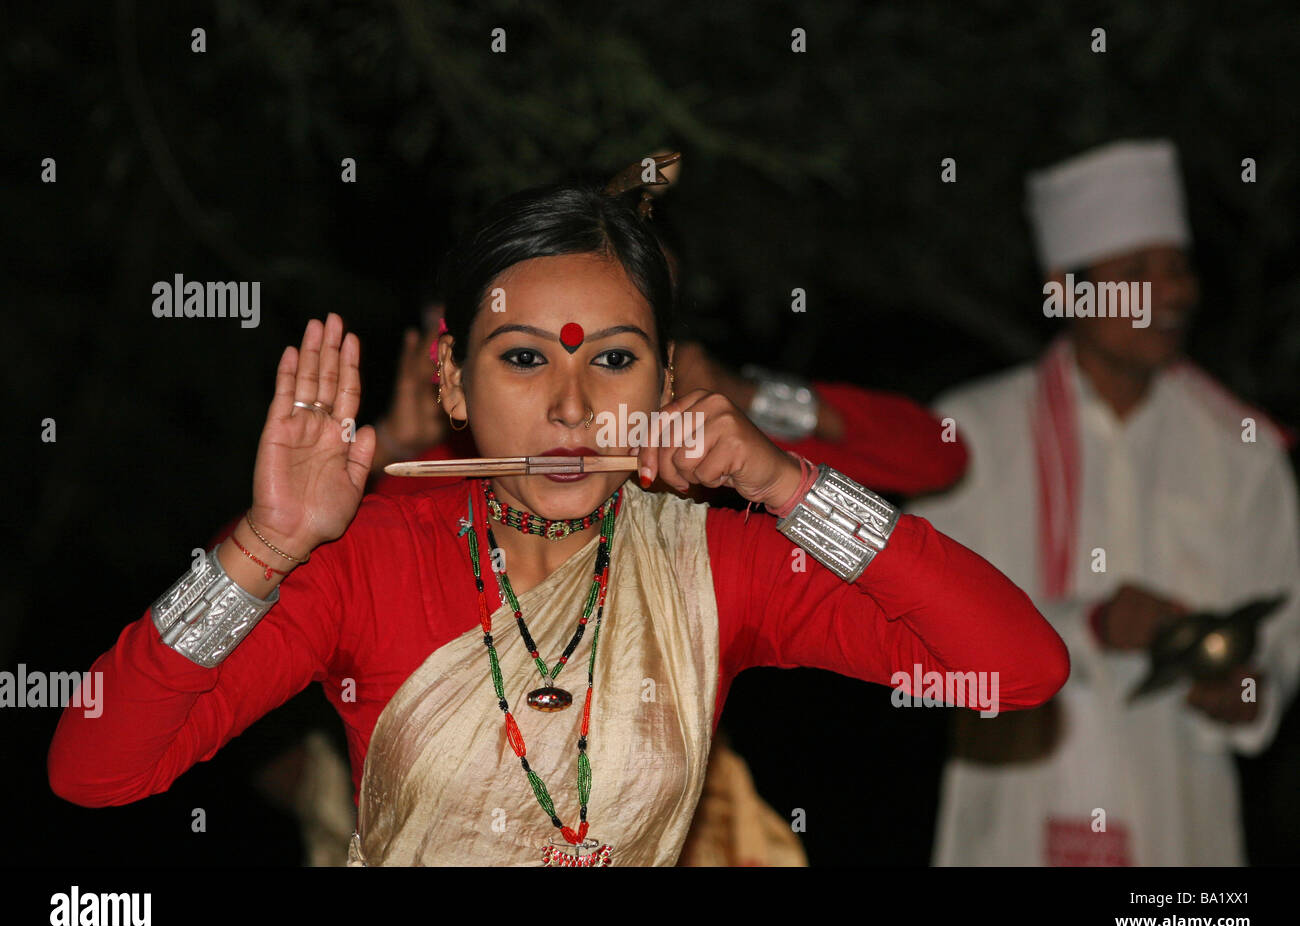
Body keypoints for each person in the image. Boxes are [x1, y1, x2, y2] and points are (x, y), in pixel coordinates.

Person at [49, 172, 1067, 866]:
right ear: (451, 379)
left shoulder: (720, 564)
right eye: (525, 358)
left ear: (667, 379)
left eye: (614, 359)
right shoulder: (366, 560)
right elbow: (96, 769)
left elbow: (1020, 669)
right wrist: (262, 546)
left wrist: (786, 483)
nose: (573, 408)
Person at [914, 139, 1300, 866]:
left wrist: (1247, 690)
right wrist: (1086, 625)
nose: (1174, 293)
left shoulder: (1243, 451)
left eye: (1178, 269)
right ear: (1067, 290)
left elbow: (1281, 642)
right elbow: (919, 633)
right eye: (1137, 273)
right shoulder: (968, 433)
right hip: (1011, 822)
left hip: (1177, 828)